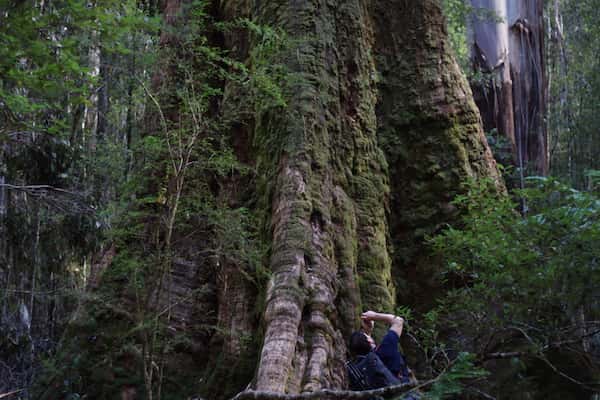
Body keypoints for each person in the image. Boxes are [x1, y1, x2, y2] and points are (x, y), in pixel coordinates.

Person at [347, 310, 412, 390]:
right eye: (366, 335)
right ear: (369, 341)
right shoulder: (386, 347)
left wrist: (369, 332)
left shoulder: (358, 369)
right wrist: (374, 315)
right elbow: (398, 321)